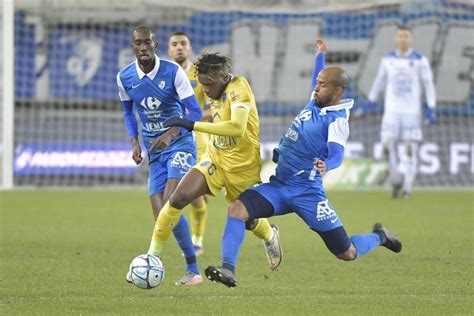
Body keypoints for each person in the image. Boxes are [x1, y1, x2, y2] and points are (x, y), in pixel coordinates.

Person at [204, 38, 402, 288]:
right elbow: (315, 81)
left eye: (322, 85)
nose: (316, 88)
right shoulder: (316, 100)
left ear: (337, 91)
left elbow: (337, 153)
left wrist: (326, 165)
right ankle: (228, 269)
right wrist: (320, 55)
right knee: (236, 209)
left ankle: (380, 236)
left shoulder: (338, 120)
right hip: (280, 185)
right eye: (317, 84)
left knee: (346, 252)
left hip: (308, 193)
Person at [146, 52, 283, 273]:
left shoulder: (239, 88)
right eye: (203, 85)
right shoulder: (212, 87)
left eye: (209, 85)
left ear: (224, 76)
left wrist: (192, 124)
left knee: (248, 220)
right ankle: (151, 257)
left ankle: (269, 234)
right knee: (177, 198)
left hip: (242, 167)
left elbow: (237, 128)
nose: (206, 90)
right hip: (215, 158)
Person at [117, 26, 203, 286]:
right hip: (155, 152)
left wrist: (171, 133)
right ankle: (191, 270)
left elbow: (196, 112)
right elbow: (128, 112)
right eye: (137, 43)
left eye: (147, 42)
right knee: (161, 214)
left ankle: (186, 268)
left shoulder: (173, 71)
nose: (143, 47)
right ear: (132, 47)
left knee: (170, 202)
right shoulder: (124, 76)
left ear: (155, 45)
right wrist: (135, 142)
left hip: (180, 145)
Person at [366, 25, 437, 199]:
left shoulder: (420, 60)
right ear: (396, 39)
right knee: (387, 144)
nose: (403, 39)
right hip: (391, 112)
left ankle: (407, 187)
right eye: (400, 36)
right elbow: (379, 82)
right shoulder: (388, 59)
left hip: (411, 113)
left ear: (411, 39)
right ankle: (396, 177)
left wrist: (431, 107)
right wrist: (371, 101)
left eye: (406, 36)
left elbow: (428, 85)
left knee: (410, 148)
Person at [167, 31, 211, 256]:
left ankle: (197, 240)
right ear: (168, 50)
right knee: (170, 192)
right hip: (171, 139)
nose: (179, 48)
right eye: (174, 44)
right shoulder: (163, 73)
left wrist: (193, 119)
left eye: (183, 44)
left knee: (195, 197)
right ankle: (172, 235)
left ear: (190, 48)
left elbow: (215, 107)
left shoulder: (200, 73)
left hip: (197, 140)